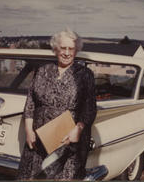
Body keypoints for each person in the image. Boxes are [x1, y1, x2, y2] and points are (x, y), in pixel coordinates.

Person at [17, 28, 97, 180]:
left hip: (67, 139)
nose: (67, 53)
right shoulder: (42, 70)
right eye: (63, 48)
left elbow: (90, 108)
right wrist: (29, 130)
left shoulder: (85, 75)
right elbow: (30, 102)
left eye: (71, 49)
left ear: (76, 50)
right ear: (55, 49)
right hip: (38, 139)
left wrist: (78, 130)